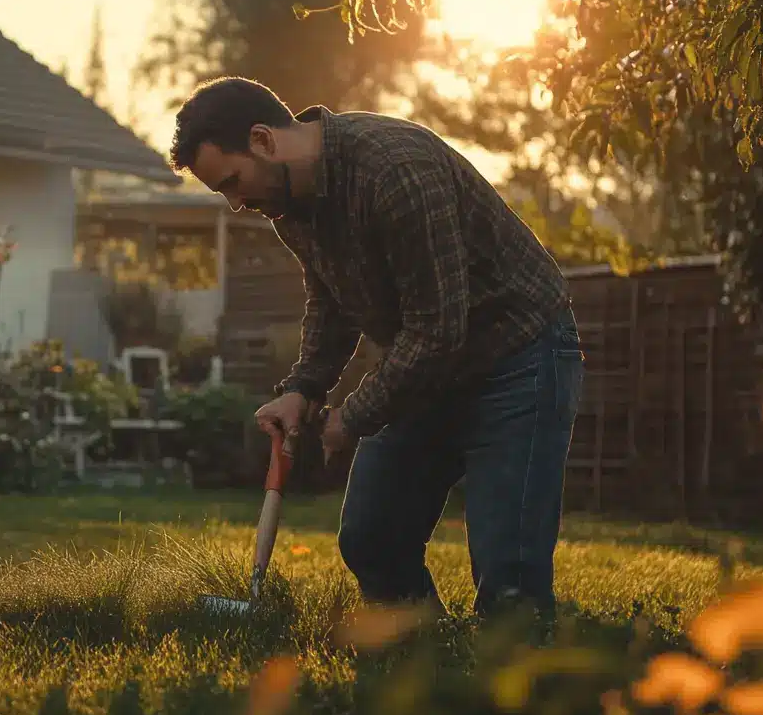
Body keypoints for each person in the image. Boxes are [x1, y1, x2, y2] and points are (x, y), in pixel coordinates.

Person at [167, 76, 584, 618]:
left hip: (517, 357)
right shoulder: (289, 205)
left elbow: (438, 329)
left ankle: (510, 677)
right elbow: (331, 302)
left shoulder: (395, 171)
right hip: (428, 369)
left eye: (232, 181)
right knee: (371, 538)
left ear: (264, 141)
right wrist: (303, 387)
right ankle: (425, 660)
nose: (236, 203)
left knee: (510, 577)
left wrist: (353, 416)